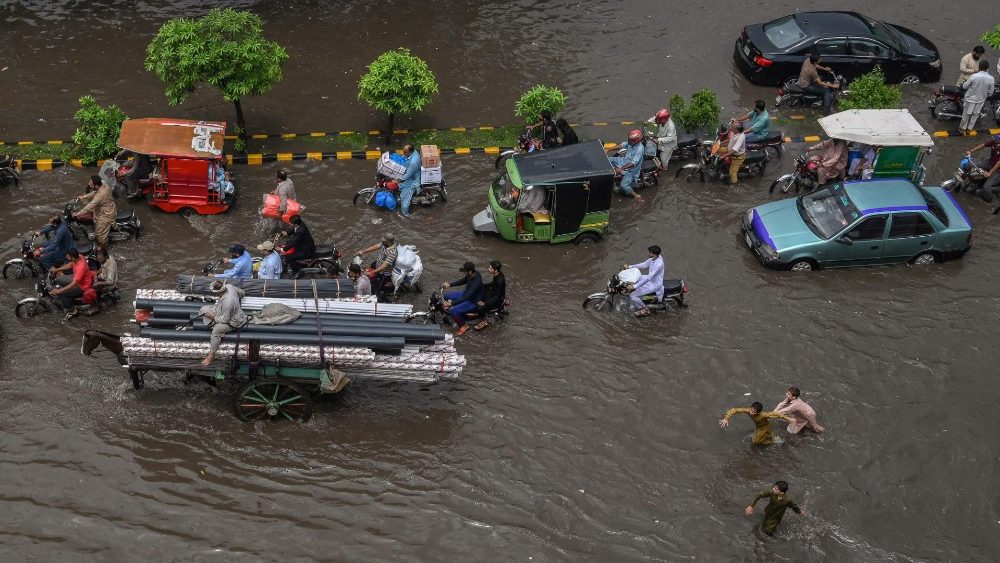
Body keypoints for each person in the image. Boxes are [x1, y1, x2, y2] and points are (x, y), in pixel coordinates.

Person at [200, 281, 248, 366]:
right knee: (203, 309)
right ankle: (213, 322)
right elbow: (242, 293)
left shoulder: (227, 303)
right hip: (223, 311)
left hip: (234, 321)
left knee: (217, 329)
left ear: (218, 292)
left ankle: (211, 356)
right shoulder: (229, 286)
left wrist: (213, 317)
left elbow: (225, 320)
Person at [719, 401, 793, 446]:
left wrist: (788, 418)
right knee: (763, 436)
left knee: (755, 442)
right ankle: (770, 436)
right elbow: (734, 410)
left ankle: (772, 441)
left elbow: (777, 414)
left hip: (764, 427)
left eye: (754, 412)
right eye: (751, 410)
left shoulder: (763, 415)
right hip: (758, 426)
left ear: (758, 412)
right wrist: (726, 418)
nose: (751, 413)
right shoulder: (748, 411)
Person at [49, 248, 97, 316]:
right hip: (77, 278)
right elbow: (71, 264)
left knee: (62, 294)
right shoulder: (79, 256)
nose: (67, 257)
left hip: (82, 285)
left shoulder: (81, 267)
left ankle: (73, 310)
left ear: (73, 257)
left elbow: (74, 284)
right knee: (58, 279)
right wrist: (57, 270)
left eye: (68, 257)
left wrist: (60, 291)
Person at [442, 261, 485, 336]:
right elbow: (463, 280)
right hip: (465, 293)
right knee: (446, 295)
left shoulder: (476, 282)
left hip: (472, 300)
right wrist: (450, 284)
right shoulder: (471, 274)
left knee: (453, 311)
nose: (464, 273)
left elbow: (467, 297)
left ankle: (464, 325)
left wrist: (451, 303)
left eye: (465, 271)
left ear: (470, 272)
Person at [74, 175, 116, 249]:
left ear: (96, 185)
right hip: (107, 207)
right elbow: (94, 193)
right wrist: (83, 197)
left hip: (105, 215)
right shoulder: (103, 185)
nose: (89, 184)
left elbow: (89, 206)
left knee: (100, 235)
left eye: (91, 184)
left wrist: (78, 213)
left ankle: (103, 249)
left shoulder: (100, 195)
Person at [624, 245, 665, 317]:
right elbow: (644, 265)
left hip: (655, 284)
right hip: (652, 279)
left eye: (650, 253)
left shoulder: (659, 264)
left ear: (654, 254)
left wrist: (634, 286)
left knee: (633, 296)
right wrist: (630, 267)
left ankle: (644, 309)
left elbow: (648, 278)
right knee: (636, 278)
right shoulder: (653, 258)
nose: (648, 254)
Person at [960, 60, 995, 136]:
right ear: (987, 68)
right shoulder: (991, 79)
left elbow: (965, 86)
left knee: (966, 114)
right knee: (975, 115)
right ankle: (969, 129)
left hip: (970, 99)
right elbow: (990, 92)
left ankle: (962, 129)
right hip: (980, 100)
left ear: (979, 67)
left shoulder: (974, 76)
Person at [608, 129, 645, 202]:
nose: (628, 141)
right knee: (608, 159)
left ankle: (636, 196)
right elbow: (621, 145)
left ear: (635, 141)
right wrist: (609, 149)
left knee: (623, 185)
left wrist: (621, 169)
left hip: (631, 170)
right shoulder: (630, 142)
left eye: (630, 140)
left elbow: (633, 163)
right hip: (623, 161)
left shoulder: (639, 149)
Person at [966, 133, 1000, 201]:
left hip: (998, 170)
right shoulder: (993, 141)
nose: (995, 140)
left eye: (997, 140)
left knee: (986, 188)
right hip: (989, 162)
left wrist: (989, 173)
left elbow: (999, 162)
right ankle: (974, 182)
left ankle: (989, 196)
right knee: (969, 165)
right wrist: (971, 151)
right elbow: (983, 145)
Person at [474, 260, 506, 330]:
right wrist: (482, 285)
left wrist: (484, 303)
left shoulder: (500, 281)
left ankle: (486, 320)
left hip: (497, 299)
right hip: (493, 293)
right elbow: (493, 284)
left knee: (479, 307)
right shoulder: (498, 274)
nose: (488, 269)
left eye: (491, 268)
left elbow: (497, 297)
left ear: (496, 270)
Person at [720, 121, 747, 186]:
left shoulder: (741, 137)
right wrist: (720, 143)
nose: (731, 128)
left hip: (737, 156)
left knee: (732, 173)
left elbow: (734, 150)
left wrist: (724, 156)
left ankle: (734, 185)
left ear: (737, 130)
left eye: (733, 127)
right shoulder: (734, 132)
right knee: (717, 150)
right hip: (729, 150)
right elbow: (729, 139)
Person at [398, 144, 421, 218]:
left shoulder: (413, 163)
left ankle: (406, 214)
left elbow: (405, 177)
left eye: (405, 153)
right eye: (403, 152)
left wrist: (396, 180)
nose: (403, 154)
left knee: (404, 198)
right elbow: (403, 158)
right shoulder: (414, 152)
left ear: (410, 152)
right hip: (410, 173)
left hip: (412, 181)